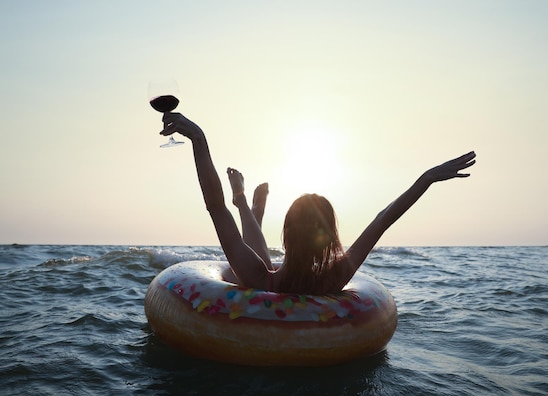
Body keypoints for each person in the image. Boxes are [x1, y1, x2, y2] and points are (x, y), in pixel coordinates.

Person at [160, 112, 476, 295]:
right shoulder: (334, 278)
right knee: (256, 264)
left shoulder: (257, 277)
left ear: (284, 235)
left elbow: (216, 207)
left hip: (261, 275)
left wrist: (199, 140)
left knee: (249, 266)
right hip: (273, 273)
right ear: (329, 238)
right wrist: (426, 179)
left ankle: (245, 204)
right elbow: (383, 220)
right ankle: (247, 206)